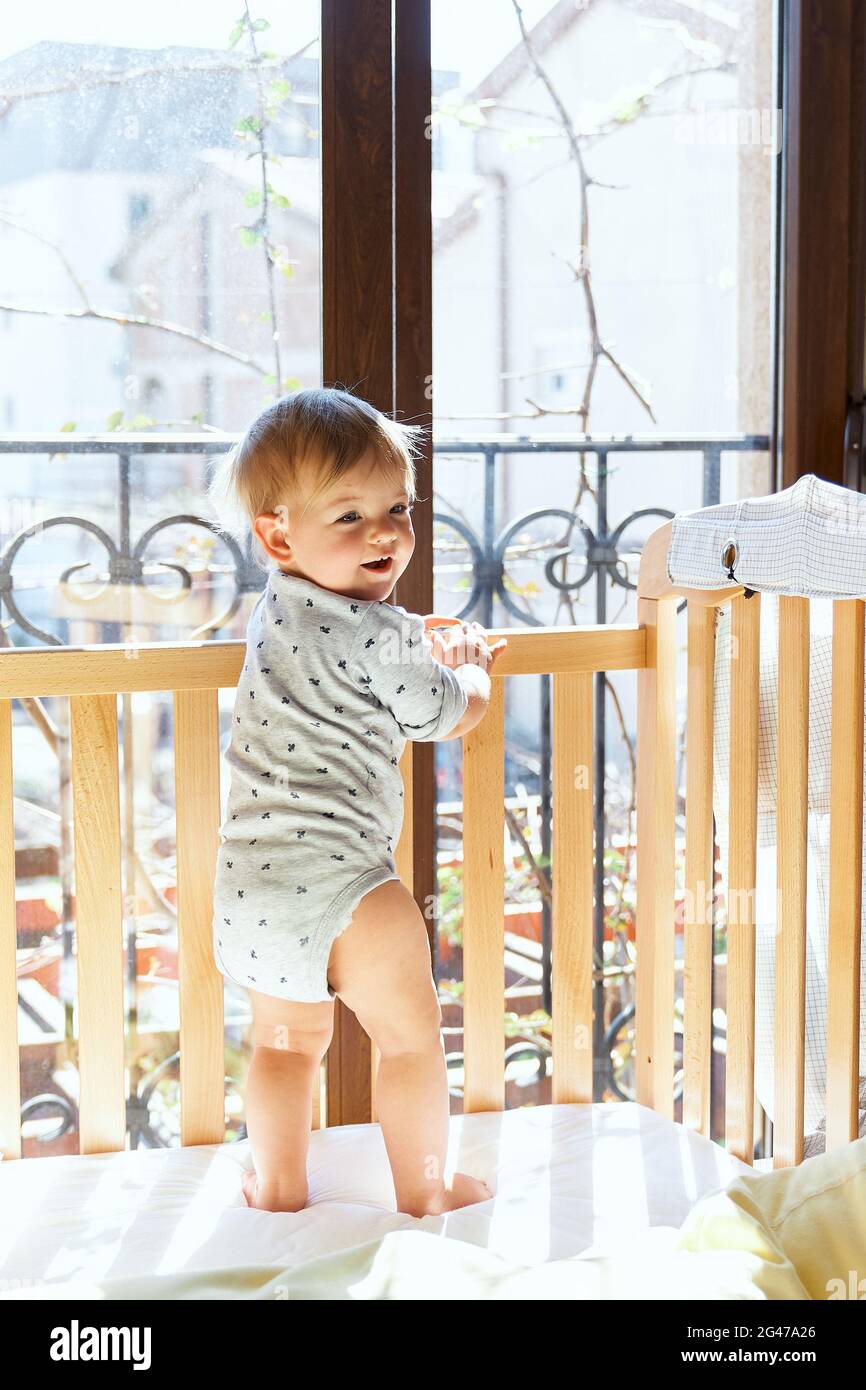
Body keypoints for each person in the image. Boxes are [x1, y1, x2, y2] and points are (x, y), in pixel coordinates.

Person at [207, 386, 507, 1217]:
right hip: (351, 889)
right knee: (410, 1044)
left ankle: (275, 1187)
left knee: (283, 1047)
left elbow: (347, 648)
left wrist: (412, 632)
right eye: (349, 518)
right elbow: (441, 711)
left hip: (252, 888)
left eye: (397, 508)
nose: (383, 532)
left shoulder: (272, 611)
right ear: (277, 533)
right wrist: (472, 664)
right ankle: (427, 1189)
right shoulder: (380, 636)